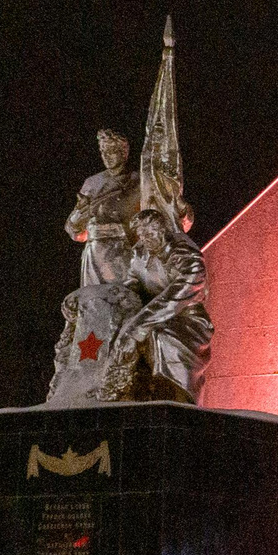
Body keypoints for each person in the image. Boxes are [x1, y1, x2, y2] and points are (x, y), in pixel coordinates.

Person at [112, 204, 213, 403]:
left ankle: (178, 401)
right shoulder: (139, 253)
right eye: (142, 236)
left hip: (188, 320)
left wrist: (137, 326)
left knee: (162, 337)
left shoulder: (187, 256)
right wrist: (123, 299)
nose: (146, 240)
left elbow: (174, 298)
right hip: (147, 317)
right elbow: (132, 281)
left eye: (150, 234)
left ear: (163, 230)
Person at [63, 128, 136, 288]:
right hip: (95, 256)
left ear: (123, 153)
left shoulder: (138, 181)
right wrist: (79, 216)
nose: (106, 156)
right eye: (103, 151)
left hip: (125, 254)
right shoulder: (92, 183)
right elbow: (74, 231)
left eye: (111, 151)